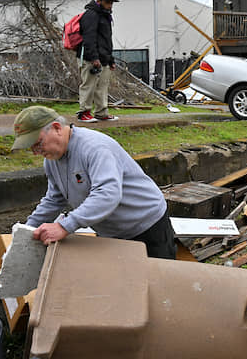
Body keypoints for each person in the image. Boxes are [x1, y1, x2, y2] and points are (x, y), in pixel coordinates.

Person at [11, 105, 176, 259]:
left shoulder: (94, 148)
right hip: (111, 232)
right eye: (31, 148)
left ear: (56, 128)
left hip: (146, 225)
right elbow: (54, 199)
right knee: (121, 284)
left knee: (156, 283)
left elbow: (108, 194)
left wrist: (64, 226)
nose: (36, 152)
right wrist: (27, 231)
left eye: (38, 144)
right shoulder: (52, 160)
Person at [77, 0, 120, 123]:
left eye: (111, 2)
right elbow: (88, 38)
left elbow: (106, 40)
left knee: (102, 86)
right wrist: (94, 58)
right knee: (88, 85)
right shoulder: (91, 15)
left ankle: (101, 113)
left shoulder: (105, 16)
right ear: (99, 1)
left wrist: (111, 60)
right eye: (108, 2)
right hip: (90, 57)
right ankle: (84, 112)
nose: (110, 5)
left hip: (104, 57)